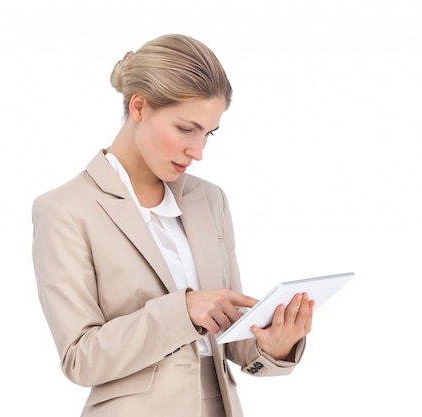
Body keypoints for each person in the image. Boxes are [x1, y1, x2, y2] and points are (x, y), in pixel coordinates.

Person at [32, 34, 315, 417]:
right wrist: (181, 310)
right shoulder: (65, 209)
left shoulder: (210, 200)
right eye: (186, 129)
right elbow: (80, 359)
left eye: (208, 134)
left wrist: (276, 343)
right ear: (139, 106)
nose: (198, 152)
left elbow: (232, 340)